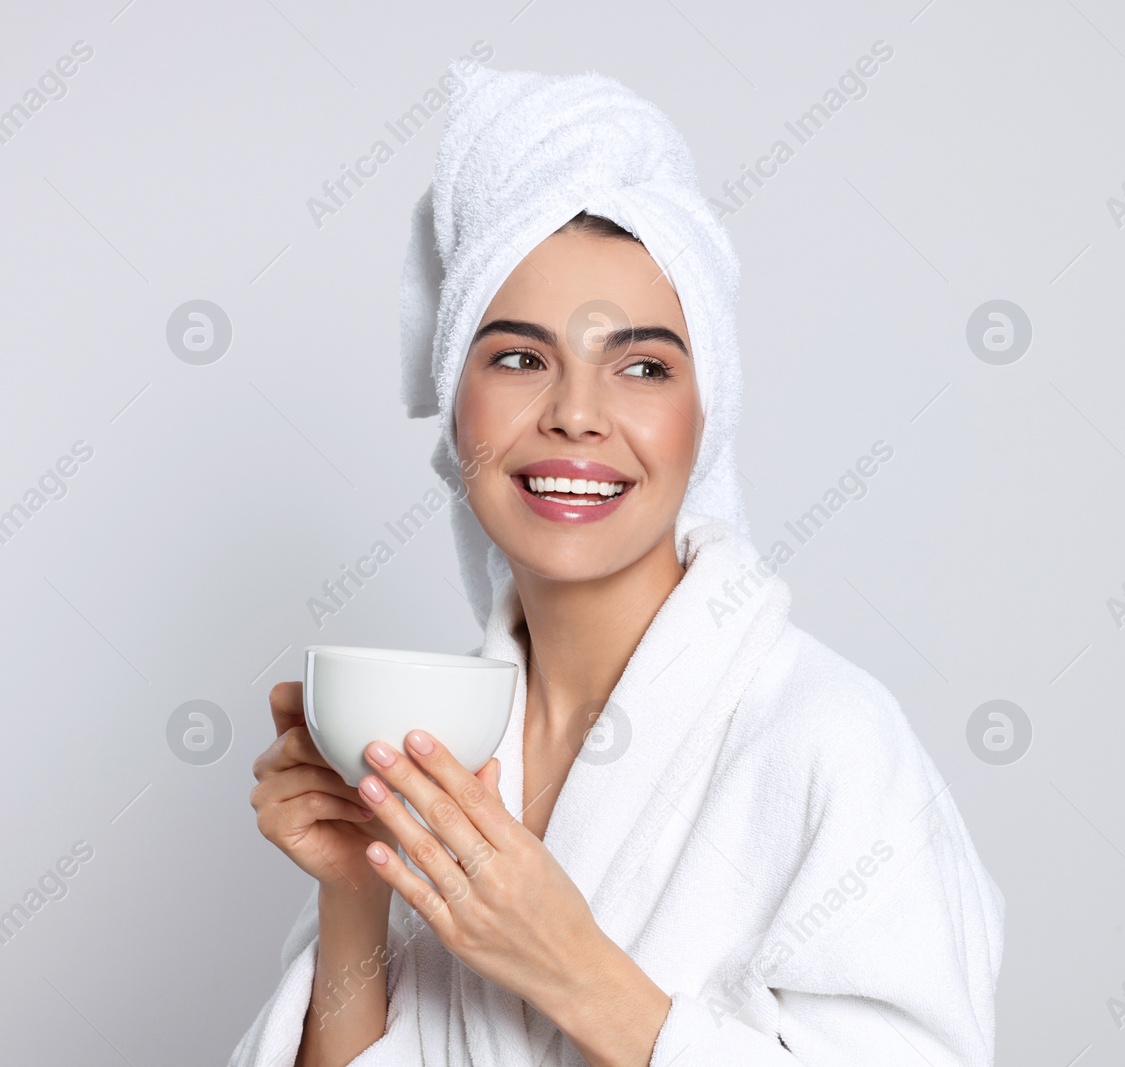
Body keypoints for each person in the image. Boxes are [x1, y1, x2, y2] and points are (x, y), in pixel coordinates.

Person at [231, 67, 1003, 1067]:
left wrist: (571, 965)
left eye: (642, 366)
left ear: (705, 415)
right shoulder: (441, 749)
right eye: (517, 357)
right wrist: (354, 892)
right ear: (454, 400)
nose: (576, 413)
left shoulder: (829, 743)